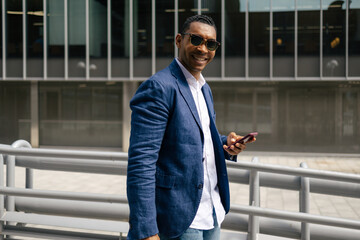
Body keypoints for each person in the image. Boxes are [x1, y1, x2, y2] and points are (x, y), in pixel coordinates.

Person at [127, 15, 255, 240]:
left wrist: (225, 143)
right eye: (196, 40)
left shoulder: (204, 88)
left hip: (212, 210)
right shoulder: (159, 88)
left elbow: (198, 136)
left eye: (211, 44)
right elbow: (141, 164)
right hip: (178, 218)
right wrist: (146, 230)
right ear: (178, 40)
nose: (203, 49)